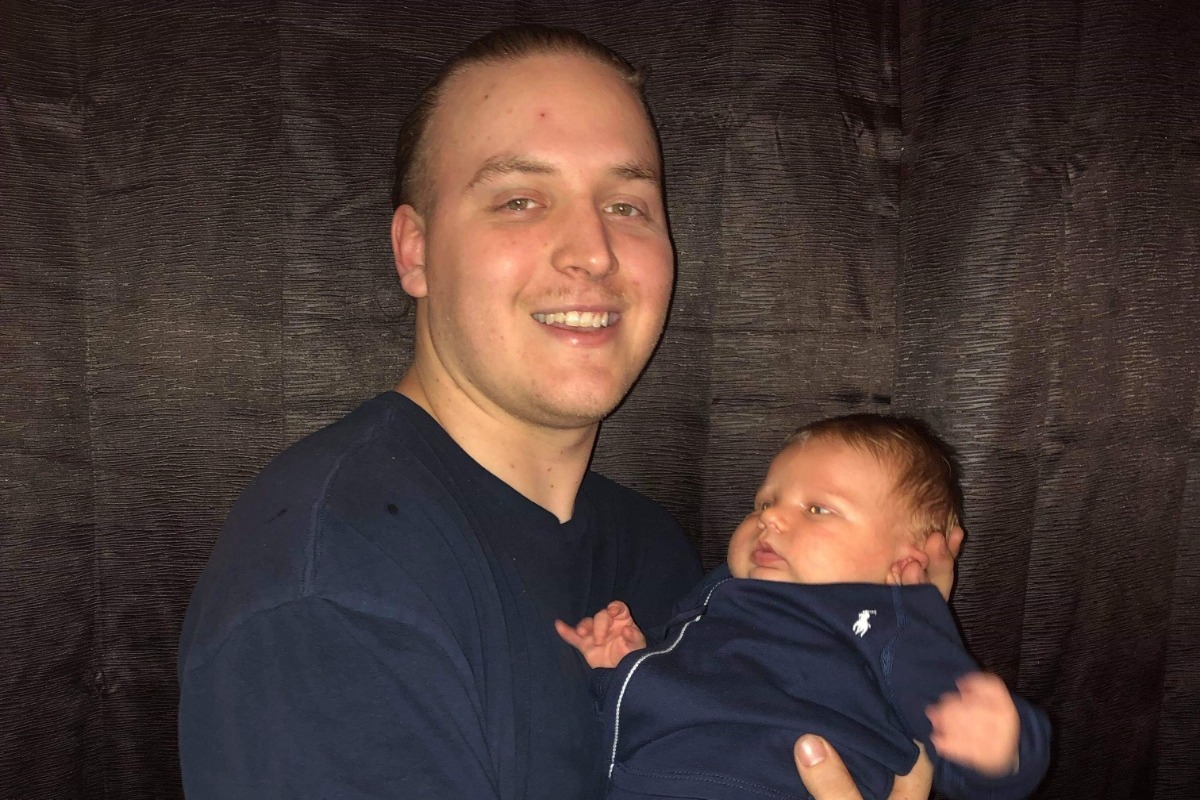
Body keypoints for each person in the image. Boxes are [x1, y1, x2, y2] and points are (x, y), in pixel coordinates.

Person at [177, 25, 958, 799]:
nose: (592, 251)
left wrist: (882, 634)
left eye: (626, 204)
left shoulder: (656, 552)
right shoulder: (334, 586)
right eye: (520, 200)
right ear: (415, 251)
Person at [558, 414, 1050, 800]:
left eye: (817, 509)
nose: (769, 517)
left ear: (904, 560)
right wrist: (628, 665)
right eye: (762, 502)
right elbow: (685, 684)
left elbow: (952, 716)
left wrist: (1003, 750)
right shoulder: (722, 594)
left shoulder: (888, 619)